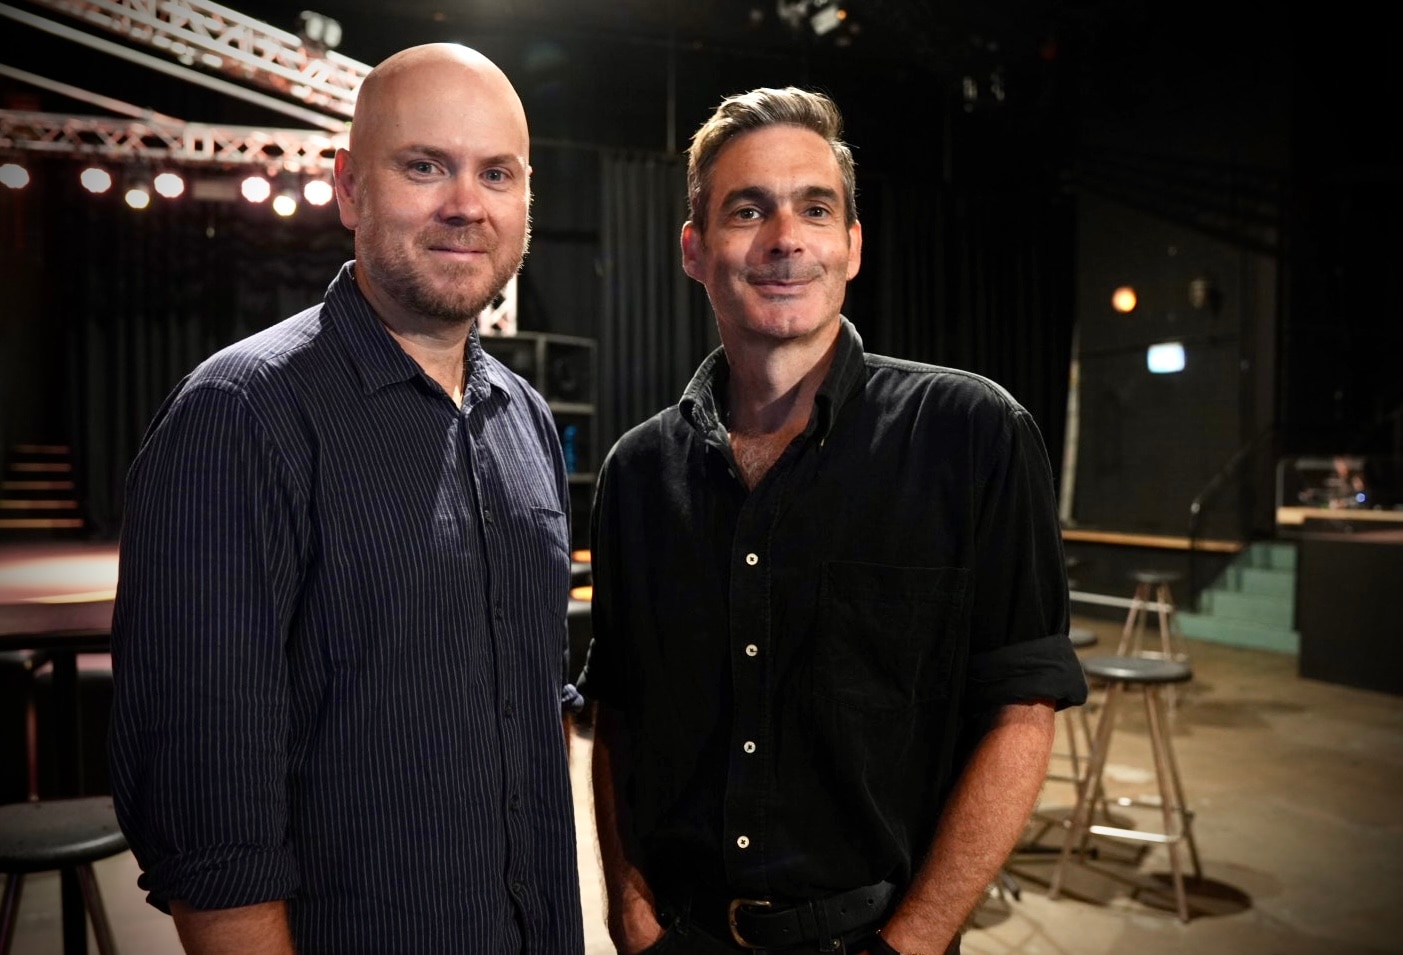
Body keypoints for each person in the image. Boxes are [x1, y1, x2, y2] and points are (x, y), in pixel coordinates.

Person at [580, 87, 1088, 955]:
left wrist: (913, 943)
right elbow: (617, 713)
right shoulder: (636, 472)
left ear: (851, 246)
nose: (785, 239)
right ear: (694, 250)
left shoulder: (971, 434)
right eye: (748, 210)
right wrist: (628, 915)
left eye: (815, 209)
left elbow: (1021, 709)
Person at [108, 43, 585, 954]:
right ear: (349, 189)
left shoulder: (522, 416)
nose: (465, 204)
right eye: (423, 166)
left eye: (497, 173)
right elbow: (212, 828)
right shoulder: (240, 415)